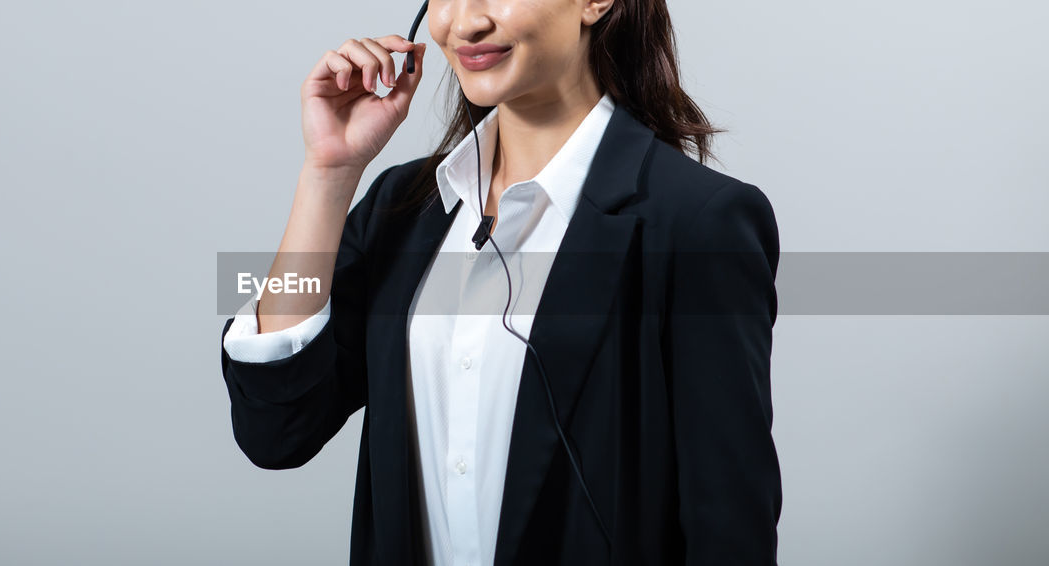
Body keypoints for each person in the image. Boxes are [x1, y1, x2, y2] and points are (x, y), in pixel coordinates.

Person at [218, 0, 782, 564]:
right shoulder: (403, 208)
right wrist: (329, 173)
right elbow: (277, 429)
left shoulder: (699, 222)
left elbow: (728, 522)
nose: (465, 23)